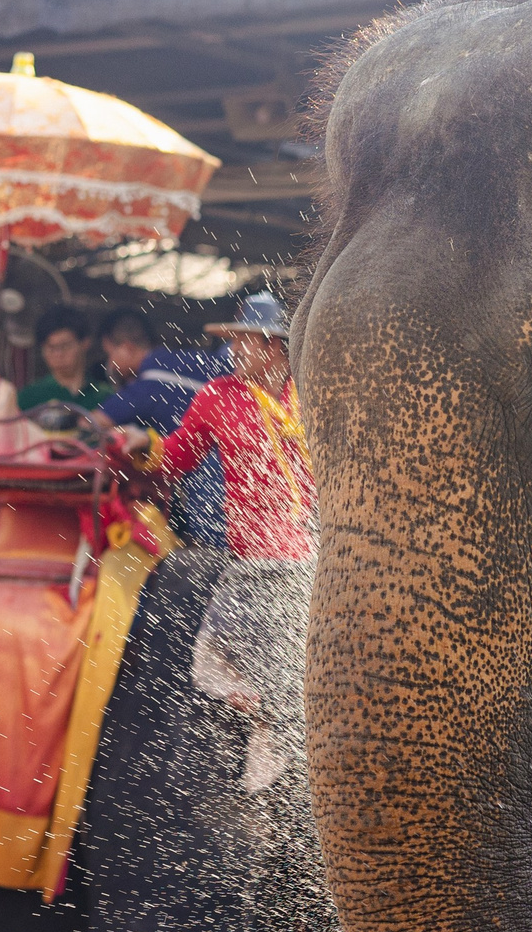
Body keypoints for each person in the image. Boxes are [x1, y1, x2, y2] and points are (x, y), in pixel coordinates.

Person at [111, 292, 313, 792]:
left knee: (234, 653)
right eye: (234, 341)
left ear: (274, 348)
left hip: (311, 555)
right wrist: (143, 446)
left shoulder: (310, 395)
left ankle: (277, 732)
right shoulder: (218, 396)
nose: (235, 351)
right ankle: (271, 727)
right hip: (258, 557)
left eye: (245, 342)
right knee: (216, 656)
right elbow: (177, 457)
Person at [87, 304, 231, 547]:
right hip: (245, 459)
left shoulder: (150, 381)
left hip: (214, 475)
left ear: (127, 347)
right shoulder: (184, 361)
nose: (109, 365)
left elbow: (93, 422)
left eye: (111, 355)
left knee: (212, 547)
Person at [16, 305, 111, 413]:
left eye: (65, 346)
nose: (58, 354)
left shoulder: (104, 396)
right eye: (51, 348)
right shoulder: (29, 397)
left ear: (85, 343)